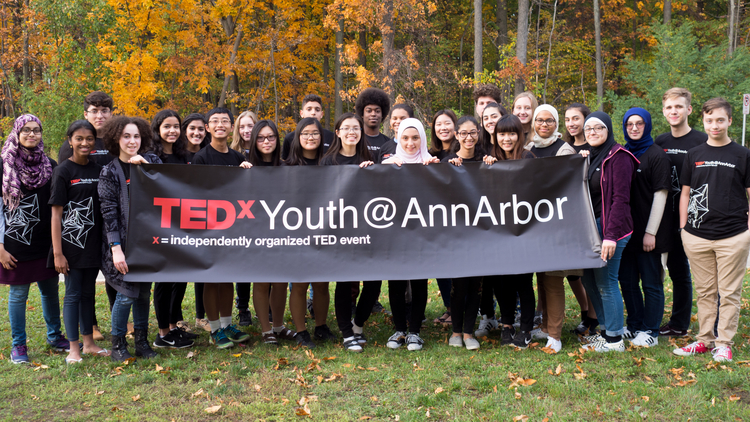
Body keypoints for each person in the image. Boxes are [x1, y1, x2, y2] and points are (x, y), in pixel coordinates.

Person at [673, 98, 750, 363]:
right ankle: (704, 340)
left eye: (720, 120)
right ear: (703, 122)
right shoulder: (694, 154)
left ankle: (724, 343)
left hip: (734, 235)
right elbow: (685, 193)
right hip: (696, 236)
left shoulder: (742, 154)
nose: (714, 125)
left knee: (729, 292)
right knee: (705, 291)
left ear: (730, 121)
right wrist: (684, 228)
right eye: (709, 120)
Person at [1, 114, 69, 364]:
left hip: (45, 244)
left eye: (36, 130)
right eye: (26, 130)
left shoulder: (50, 165)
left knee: (50, 291)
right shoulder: (4, 165)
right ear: (17, 133)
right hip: (14, 245)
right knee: (18, 295)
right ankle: (18, 345)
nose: (31, 134)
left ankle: (55, 336)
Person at [98, 116, 162, 361]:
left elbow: (169, 187)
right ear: (116, 139)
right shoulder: (109, 172)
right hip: (122, 244)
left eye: (136, 136)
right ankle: (118, 345)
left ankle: (143, 342)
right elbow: (109, 213)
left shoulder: (152, 162)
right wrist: (116, 249)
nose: (132, 141)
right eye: (126, 136)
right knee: (126, 294)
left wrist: (144, 168)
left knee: (144, 293)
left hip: (147, 243)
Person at [50, 120, 111, 363]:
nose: (85, 143)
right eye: (79, 138)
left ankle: (89, 344)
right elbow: (56, 215)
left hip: (94, 244)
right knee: (73, 294)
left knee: (88, 294)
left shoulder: (98, 170)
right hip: (71, 245)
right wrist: (58, 253)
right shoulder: (63, 171)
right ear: (70, 141)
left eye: (89, 138)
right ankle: (73, 349)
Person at [192, 108, 253, 349]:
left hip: (233, 228)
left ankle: (227, 325)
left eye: (225, 121)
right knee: (211, 279)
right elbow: (196, 194)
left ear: (231, 128)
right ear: (208, 128)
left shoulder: (238, 158)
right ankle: (215, 329)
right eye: (214, 121)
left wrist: (248, 175)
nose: (220, 125)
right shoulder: (202, 158)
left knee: (228, 278)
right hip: (209, 227)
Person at [59, 91, 116, 342]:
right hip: (81, 225)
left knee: (114, 272)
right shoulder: (71, 147)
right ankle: (90, 325)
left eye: (104, 110)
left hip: (109, 220)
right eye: (95, 110)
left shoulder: (115, 140)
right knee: (82, 285)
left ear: (111, 113)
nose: (100, 115)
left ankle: (119, 319)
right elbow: (64, 190)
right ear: (86, 113)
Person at [579, 111, 637, 353]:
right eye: (588, 129)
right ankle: (605, 332)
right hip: (592, 227)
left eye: (598, 128)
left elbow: (620, 199)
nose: (592, 132)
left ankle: (614, 340)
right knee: (588, 279)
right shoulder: (591, 156)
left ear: (609, 130)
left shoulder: (619, 157)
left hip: (612, 227)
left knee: (606, 282)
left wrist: (610, 236)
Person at [319, 113, 376, 352]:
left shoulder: (369, 159)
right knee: (344, 282)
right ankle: (345, 332)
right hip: (339, 230)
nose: (352, 132)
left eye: (356, 128)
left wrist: (372, 172)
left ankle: (358, 323)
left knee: (373, 282)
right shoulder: (328, 161)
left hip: (367, 229)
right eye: (346, 128)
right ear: (338, 132)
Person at [655, 87, 707, 338]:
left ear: (689, 109)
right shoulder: (660, 142)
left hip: (698, 218)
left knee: (705, 275)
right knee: (677, 271)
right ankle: (678, 323)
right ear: (663, 111)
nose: (673, 111)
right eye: (669, 107)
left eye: (678, 107)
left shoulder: (701, 141)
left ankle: (713, 324)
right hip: (667, 218)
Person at [382, 118, 437, 352]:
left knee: (418, 281)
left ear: (422, 139)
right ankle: (399, 329)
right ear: (398, 139)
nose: (410, 143)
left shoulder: (431, 164)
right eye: (405, 138)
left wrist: (438, 169)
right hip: (394, 233)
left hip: (421, 233)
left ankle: (414, 331)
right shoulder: (389, 163)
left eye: (415, 138)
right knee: (395, 281)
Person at [618, 107, 671, 348]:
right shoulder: (623, 152)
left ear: (647, 125)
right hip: (626, 233)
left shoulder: (657, 155)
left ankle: (651, 330)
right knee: (627, 282)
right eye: (630, 124)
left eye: (639, 123)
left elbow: (661, 195)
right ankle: (635, 324)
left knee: (651, 283)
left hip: (650, 233)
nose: (634, 128)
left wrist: (651, 232)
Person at [482, 115, 536, 348]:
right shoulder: (489, 159)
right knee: (500, 281)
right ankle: (506, 325)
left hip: (523, 231)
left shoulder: (528, 157)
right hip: (497, 231)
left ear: (519, 135)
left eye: (511, 133)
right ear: (496, 136)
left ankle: (525, 329)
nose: (507, 138)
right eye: (502, 134)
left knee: (523, 281)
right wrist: (485, 169)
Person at [284, 117, 336, 348]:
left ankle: (321, 326)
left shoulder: (330, 164)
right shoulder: (286, 167)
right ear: (298, 137)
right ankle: (301, 331)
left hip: (324, 230)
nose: (310, 137)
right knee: (299, 283)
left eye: (314, 133)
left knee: (322, 283)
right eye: (305, 133)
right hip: (296, 232)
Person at [149, 110, 196, 349]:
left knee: (179, 279)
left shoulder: (183, 155)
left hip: (183, 226)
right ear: (157, 128)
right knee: (164, 280)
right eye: (167, 126)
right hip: (161, 227)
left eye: (176, 126)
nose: (172, 131)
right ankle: (162, 333)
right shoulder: (149, 157)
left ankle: (174, 327)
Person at [244, 120, 292, 345]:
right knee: (262, 283)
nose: (266, 141)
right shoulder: (246, 167)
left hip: (283, 231)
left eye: (271, 137)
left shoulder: (285, 168)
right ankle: (266, 330)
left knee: (281, 281)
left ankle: (279, 326)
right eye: (261, 137)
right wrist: (242, 174)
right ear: (254, 140)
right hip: (256, 232)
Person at [230, 111, 260, 327]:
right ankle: (243, 308)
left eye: (250, 125)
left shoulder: (265, 150)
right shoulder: (232, 153)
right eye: (242, 126)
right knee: (242, 266)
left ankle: (265, 307)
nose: (246, 130)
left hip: (263, 215)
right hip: (240, 216)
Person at [281, 94, 334, 160]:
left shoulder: (332, 137)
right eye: (309, 109)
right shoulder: (290, 138)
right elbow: (285, 164)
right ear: (301, 113)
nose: (313, 113)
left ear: (321, 114)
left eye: (317, 110)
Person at [355, 87, 393, 163]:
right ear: (362, 114)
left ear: (382, 114)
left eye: (377, 111)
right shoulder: (355, 140)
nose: (373, 114)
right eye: (369, 111)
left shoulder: (389, 143)